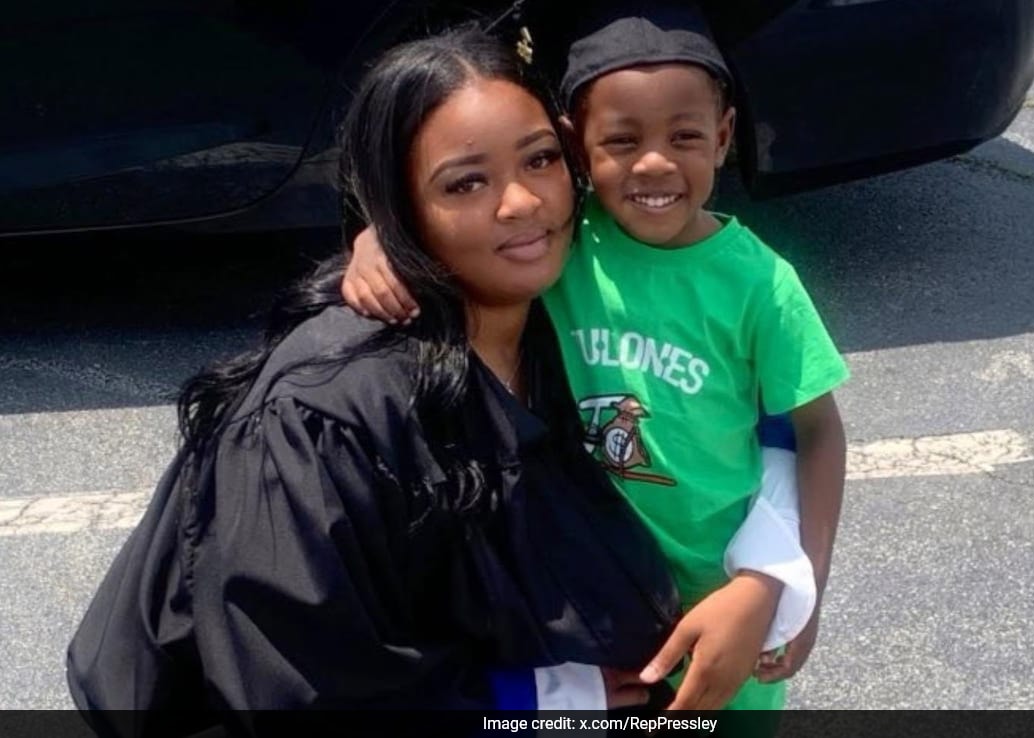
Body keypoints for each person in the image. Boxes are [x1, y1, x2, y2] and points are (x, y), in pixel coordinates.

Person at [65, 26, 684, 736]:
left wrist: (766, 578)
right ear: (398, 209)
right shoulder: (324, 415)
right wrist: (535, 701)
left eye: (540, 159)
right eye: (465, 182)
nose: (521, 202)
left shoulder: (567, 316)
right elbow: (300, 689)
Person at [341, 1, 850, 721]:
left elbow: (817, 430)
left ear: (724, 135)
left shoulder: (762, 286)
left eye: (685, 136)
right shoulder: (564, 246)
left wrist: (799, 587)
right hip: (589, 597)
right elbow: (462, 229)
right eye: (621, 140)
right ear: (577, 147)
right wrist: (378, 241)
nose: (654, 162)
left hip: (721, 597)